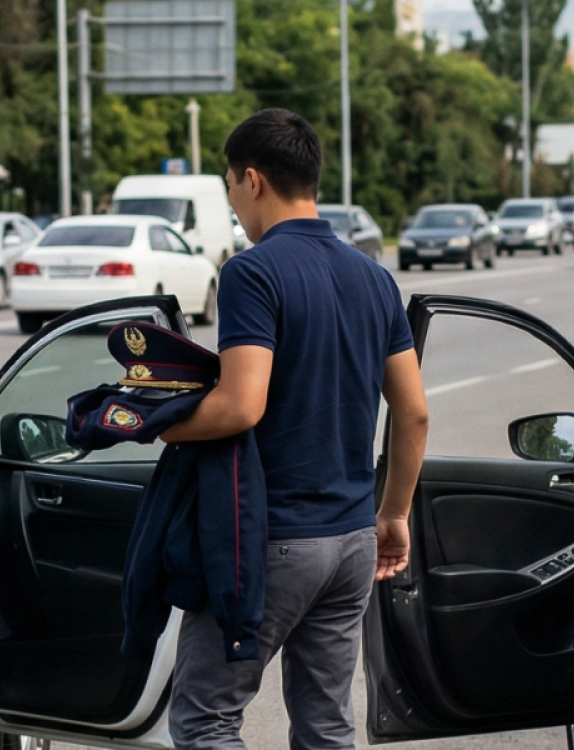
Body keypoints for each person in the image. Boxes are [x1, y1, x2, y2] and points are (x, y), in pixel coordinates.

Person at [159, 108, 429, 749]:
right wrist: (393, 514)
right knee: (326, 724)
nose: (233, 202)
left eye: (229, 185)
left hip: (272, 540)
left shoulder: (252, 272)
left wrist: (158, 423)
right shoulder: (373, 277)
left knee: (206, 719)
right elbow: (414, 412)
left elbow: (240, 405)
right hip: (352, 540)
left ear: (252, 180)